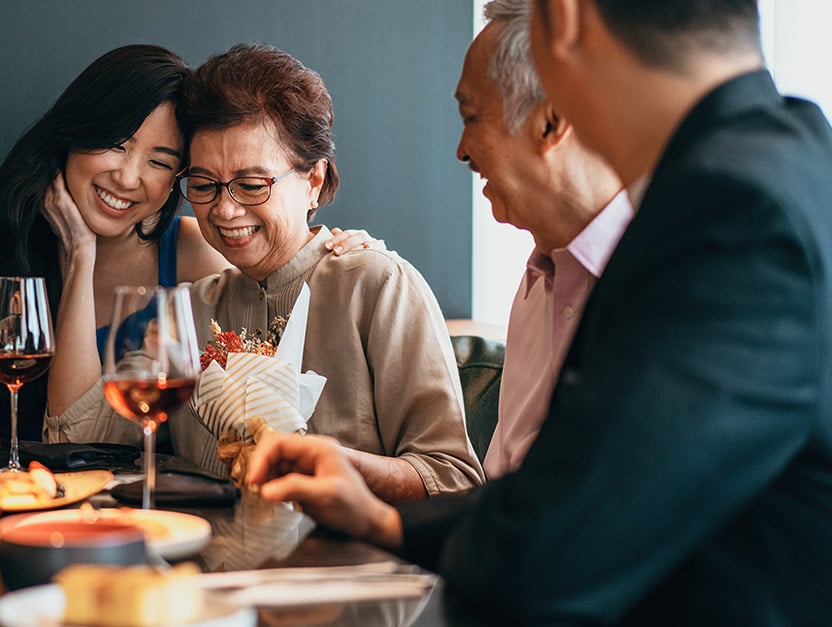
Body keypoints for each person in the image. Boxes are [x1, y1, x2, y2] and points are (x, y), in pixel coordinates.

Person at [247, 0, 832, 624]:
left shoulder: (730, 214)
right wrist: (387, 520)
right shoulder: (792, 154)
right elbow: (584, 482)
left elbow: (564, 547)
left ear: (569, 20)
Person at [47, 43, 483, 504]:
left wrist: (327, 460)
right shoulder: (193, 309)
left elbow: (452, 477)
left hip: (345, 566)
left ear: (313, 180)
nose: (225, 209)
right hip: (210, 566)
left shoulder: (376, 287)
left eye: (252, 185)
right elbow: (73, 441)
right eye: (203, 185)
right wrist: (80, 252)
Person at [0, 45, 373, 449]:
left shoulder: (197, 251)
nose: (127, 178)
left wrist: (337, 249)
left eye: (160, 161)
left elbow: (278, 322)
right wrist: (78, 254)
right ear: (72, 136)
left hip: (160, 512)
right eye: (115, 145)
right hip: (19, 503)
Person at [454, 0, 632, 478]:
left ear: (551, 121)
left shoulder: (661, 274)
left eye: (471, 118)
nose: (461, 150)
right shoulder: (537, 280)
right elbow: (501, 484)